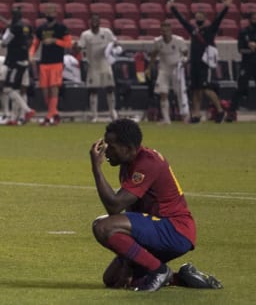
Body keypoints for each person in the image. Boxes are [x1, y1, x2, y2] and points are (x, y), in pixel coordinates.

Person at [89, 118, 223, 291]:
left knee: (102, 226)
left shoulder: (147, 162)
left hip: (174, 230)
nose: (106, 152)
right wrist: (128, 266)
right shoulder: (128, 164)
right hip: (155, 229)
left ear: (128, 148)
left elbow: (114, 207)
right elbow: (131, 213)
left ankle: (159, 270)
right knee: (112, 279)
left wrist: (96, 168)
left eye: (111, 147)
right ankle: (181, 278)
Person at [167, 0, 232, 123]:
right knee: (195, 90)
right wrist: (173, 8)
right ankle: (196, 115)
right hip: (194, 63)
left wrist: (226, 7)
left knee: (206, 88)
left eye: (201, 16)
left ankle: (220, 110)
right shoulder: (193, 30)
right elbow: (183, 21)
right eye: (197, 16)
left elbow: (219, 19)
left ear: (205, 18)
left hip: (205, 63)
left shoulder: (210, 29)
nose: (198, 19)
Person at [30, 5, 72, 126]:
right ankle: (54, 113)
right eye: (47, 11)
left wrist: (55, 41)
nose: (49, 14)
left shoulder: (61, 28)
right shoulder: (41, 29)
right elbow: (35, 44)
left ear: (56, 13)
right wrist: (31, 54)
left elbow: (68, 44)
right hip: (44, 62)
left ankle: (49, 116)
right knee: (44, 90)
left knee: (54, 87)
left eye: (51, 11)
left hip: (56, 62)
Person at [73, 14, 119, 122]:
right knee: (93, 90)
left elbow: (115, 43)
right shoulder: (85, 35)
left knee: (110, 88)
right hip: (93, 65)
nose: (94, 22)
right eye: (92, 20)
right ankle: (94, 115)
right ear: (89, 22)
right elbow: (79, 47)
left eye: (96, 20)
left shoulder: (106, 32)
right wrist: (76, 48)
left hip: (105, 64)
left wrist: (115, 49)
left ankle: (112, 112)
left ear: (99, 22)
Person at [146, 21, 190, 124]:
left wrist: (184, 61)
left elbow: (185, 54)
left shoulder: (179, 41)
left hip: (176, 69)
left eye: (166, 30)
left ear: (171, 30)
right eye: (162, 30)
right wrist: (149, 68)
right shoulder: (157, 41)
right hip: (164, 69)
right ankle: (166, 119)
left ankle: (185, 116)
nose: (164, 32)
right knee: (163, 93)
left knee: (180, 93)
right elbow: (154, 55)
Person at [0, 7, 36, 125]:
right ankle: (16, 118)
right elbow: (31, 40)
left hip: (14, 62)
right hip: (24, 61)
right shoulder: (27, 27)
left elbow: (4, 42)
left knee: (9, 88)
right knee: (20, 89)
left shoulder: (14, 28)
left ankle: (26, 110)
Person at [227, 12, 256, 122]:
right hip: (247, 63)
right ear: (249, 20)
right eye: (253, 18)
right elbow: (240, 49)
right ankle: (231, 112)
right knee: (241, 88)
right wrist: (250, 49)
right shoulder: (244, 32)